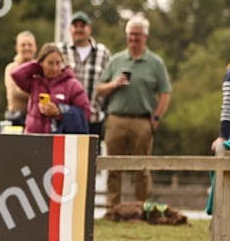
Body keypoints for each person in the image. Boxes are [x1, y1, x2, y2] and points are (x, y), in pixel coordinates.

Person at [97, 16, 172, 207]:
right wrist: (114, 84)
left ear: (145, 36)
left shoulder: (155, 63)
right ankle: (112, 208)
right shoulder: (116, 60)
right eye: (130, 34)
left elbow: (165, 93)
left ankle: (141, 207)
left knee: (142, 167)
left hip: (143, 121)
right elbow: (98, 89)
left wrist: (154, 119)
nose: (133, 38)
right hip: (116, 119)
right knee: (113, 166)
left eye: (137, 35)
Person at [10, 43, 91, 134]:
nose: (55, 68)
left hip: (60, 141)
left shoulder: (73, 85)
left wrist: (59, 111)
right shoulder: (35, 82)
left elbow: (86, 114)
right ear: (41, 63)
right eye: (50, 63)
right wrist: (36, 66)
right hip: (33, 137)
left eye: (58, 63)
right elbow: (16, 74)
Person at [58, 11, 111, 137]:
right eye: (75, 26)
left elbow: (109, 82)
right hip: (65, 118)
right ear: (70, 29)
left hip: (94, 119)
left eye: (82, 26)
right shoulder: (60, 50)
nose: (79, 29)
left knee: (92, 156)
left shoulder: (103, 52)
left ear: (90, 29)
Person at [3, 31, 36, 126]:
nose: (27, 48)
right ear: (17, 48)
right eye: (23, 45)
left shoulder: (39, 68)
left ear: (35, 47)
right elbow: (15, 92)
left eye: (30, 45)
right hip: (16, 117)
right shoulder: (11, 68)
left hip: (35, 119)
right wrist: (37, 92)